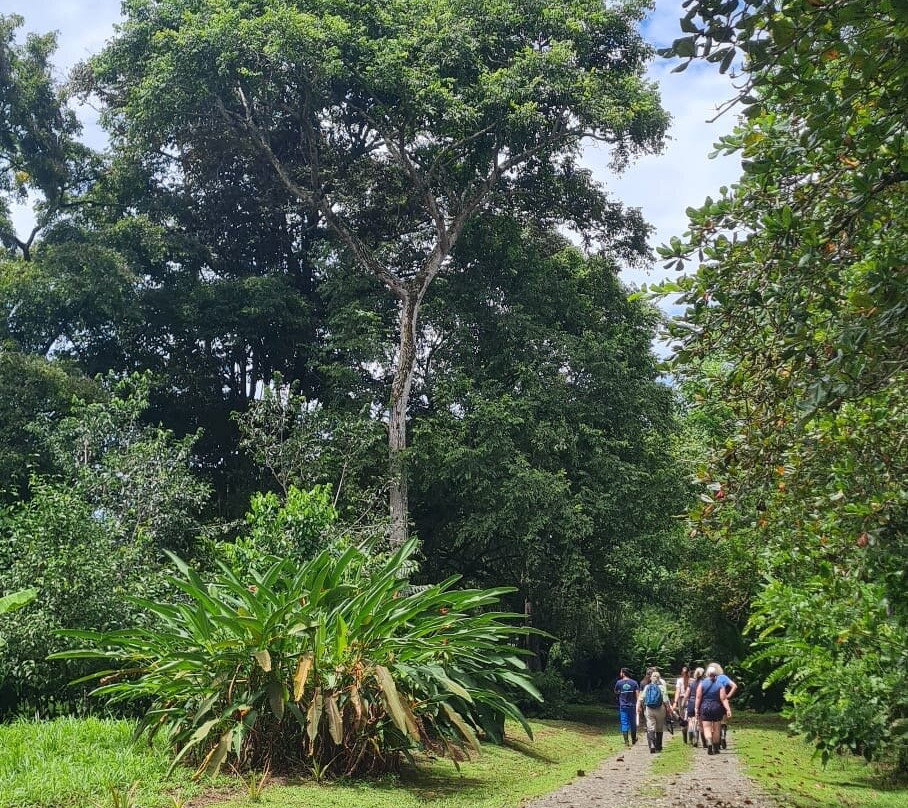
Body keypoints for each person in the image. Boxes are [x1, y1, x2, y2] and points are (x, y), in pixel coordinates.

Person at [695, 664, 732, 755]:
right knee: (716, 729)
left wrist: (696, 709)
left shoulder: (702, 684)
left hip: (705, 707)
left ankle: (709, 744)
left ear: (707, 674)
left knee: (706, 728)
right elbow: (723, 699)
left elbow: (698, 697)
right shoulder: (720, 684)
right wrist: (728, 709)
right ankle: (716, 748)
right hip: (716, 707)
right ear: (716, 674)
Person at [638, 669, 675, 753]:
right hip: (660, 709)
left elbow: (641, 698)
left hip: (649, 709)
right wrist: (669, 710)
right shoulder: (662, 687)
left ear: (651, 678)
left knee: (650, 726)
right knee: (659, 727)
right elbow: (666, 700)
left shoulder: (647, 687)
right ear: (659, 679)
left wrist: (641, 707)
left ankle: (652, 744)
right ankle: (659, 746)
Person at [707, 662, 738, 749]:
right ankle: (723, 735)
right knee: (723, 721)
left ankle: (716, 741)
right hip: (723, 701)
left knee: (714, 723)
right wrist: (728, 695)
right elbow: (734, 686)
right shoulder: (724, 677)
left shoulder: (709, 678)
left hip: (713, 702)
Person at [613, 667, 639, 747]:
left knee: (624, 723)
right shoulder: (634, 683)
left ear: (623, 673)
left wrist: (620, 693)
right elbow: (637, 695)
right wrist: (639, 705)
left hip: (623, 706)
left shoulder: (619, 683)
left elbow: (615, 692)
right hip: (632, 706)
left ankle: (626, 742)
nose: (620, 673)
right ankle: (634, 740)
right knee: (633, 723)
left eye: (621, 672)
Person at [685, 667, 705, 746]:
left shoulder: (691, 683)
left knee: (691, 720)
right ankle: (697, 737)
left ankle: (691, 736)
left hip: (691, 703)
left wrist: (685, 703)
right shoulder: (704, 683)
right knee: (699, 721)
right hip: (701, 703)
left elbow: (687, 695)